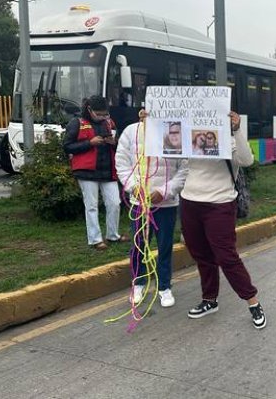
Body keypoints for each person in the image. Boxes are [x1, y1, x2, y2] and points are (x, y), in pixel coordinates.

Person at [181, 111, 266, 329]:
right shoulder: (188, 137)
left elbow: (247, 160)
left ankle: (252, 302)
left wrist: (237, 130)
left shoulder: (228, 141)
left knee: (226, 256)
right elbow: (170, 156)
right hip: (190, 202)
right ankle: (210, 300)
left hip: (219, 204)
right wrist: (150, 124)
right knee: (201, 255)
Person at [115, 110, 189, 307]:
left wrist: (166, 191)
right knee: (138, 245)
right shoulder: (131, 132)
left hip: (166, 204)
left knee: (164, 247)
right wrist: (133, 187)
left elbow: (184, 168)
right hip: (140, 203)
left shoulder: (176, 134)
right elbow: (122, 163)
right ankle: (138, 283)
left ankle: (164, 287)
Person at [63, 95, 127, 250]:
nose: (102, 117)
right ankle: (95, 239)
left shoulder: (109, 122)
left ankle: (113, 235)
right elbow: (67, 146)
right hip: (86, 171)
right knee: (91, 206)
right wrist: (89, 143)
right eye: (98, 114)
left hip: (108, 170)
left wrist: (114, 143)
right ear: (89, 109)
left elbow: (119, 146)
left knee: (114, 203)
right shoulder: (76, 123)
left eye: (105, 114)